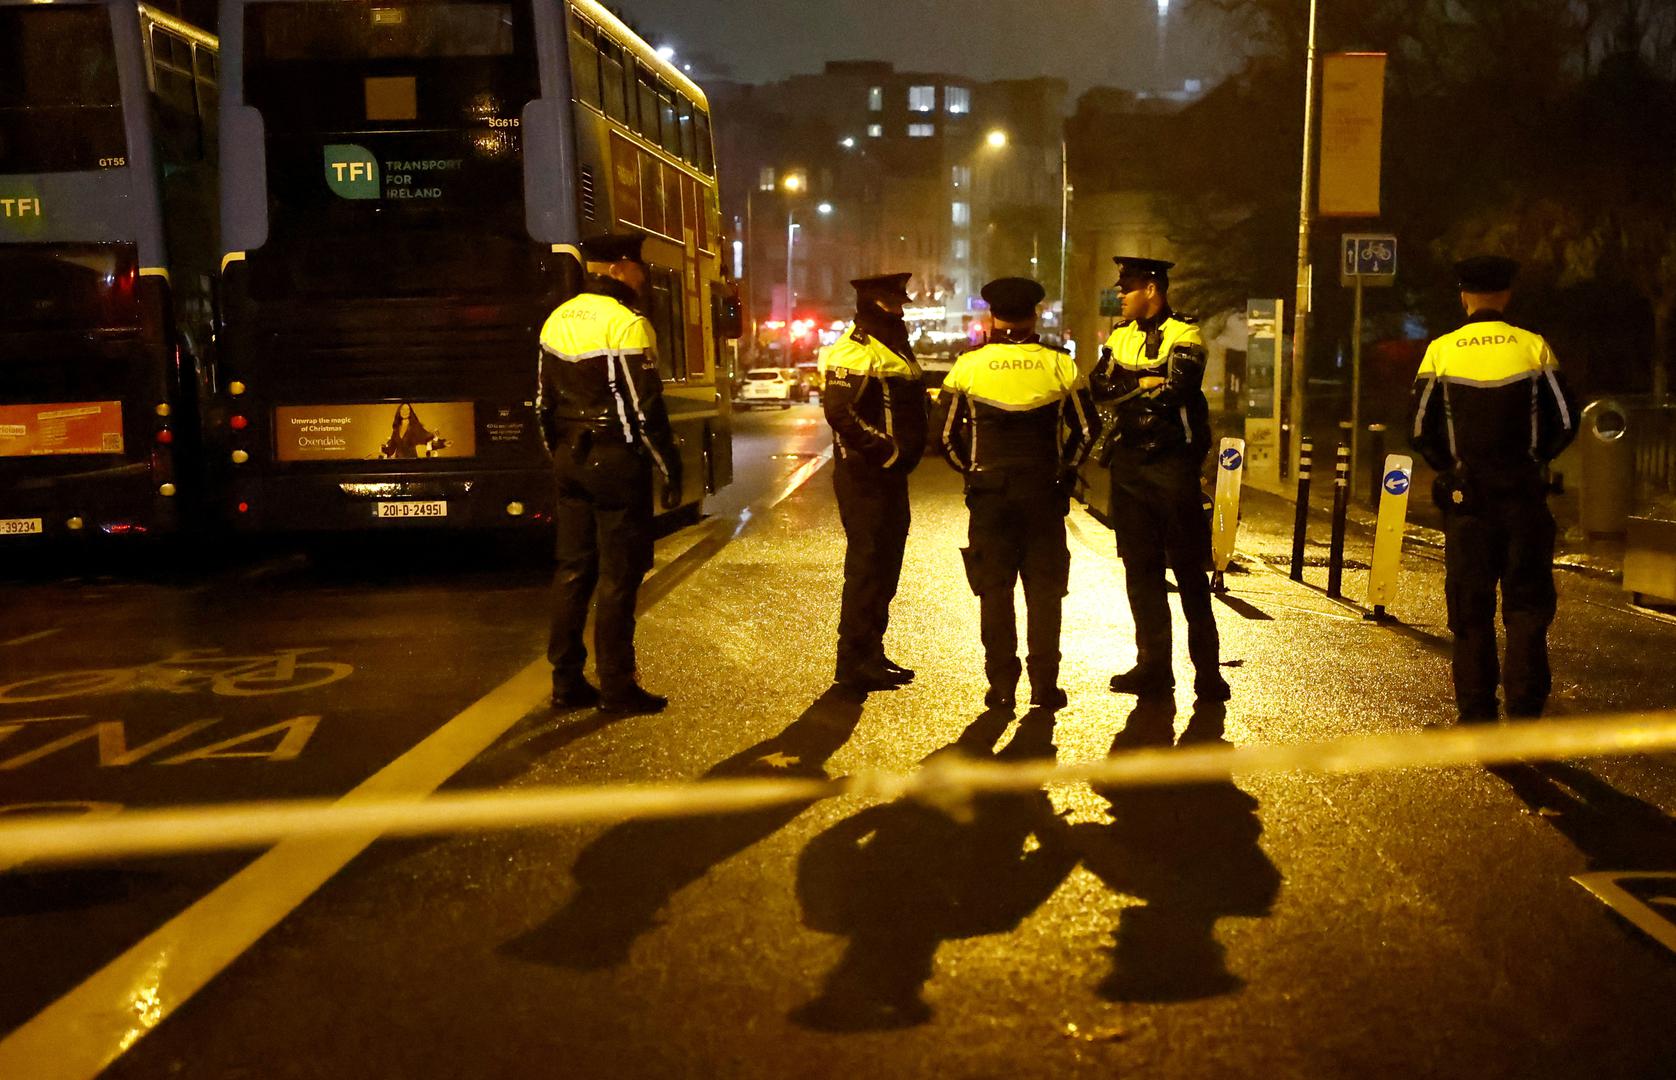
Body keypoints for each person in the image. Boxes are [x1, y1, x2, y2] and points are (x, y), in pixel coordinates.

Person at [1409, 255, 1578, 723]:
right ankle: (1525, 711)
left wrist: (1451, 469)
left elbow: (1420, 429)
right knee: (1526, 607)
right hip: (1524, 497)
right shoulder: (1534, 348)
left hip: (1469, 504)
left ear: (1464, 295)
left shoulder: (1442, 351)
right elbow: (1565, 420)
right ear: (1507, 294)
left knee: (1470, 610)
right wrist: (1535, 460)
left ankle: (1477, 713)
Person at [537, 233, 683, 714]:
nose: (643, 276)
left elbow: (543, 403)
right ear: (620, 268)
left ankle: (566, 682)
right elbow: (643, 410)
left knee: (573, 570)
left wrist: (558, 455)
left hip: (569, 458)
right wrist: (668, 464)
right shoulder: (628, 324)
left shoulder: (556, 319)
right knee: (620, 575)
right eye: (639, 267)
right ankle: (618, 686)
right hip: (616, 462)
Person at [940, 277, 1099, 709]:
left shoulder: (968, 366)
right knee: (1045, 593)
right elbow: (1088, 429)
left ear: (992, 316)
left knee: (995, 592)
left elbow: (945, 436)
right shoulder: (1059, 365)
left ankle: (1002, 685)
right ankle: (1045, 686)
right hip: (1043, 495)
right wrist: (1064, 471)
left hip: (989, 496)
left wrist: (972, 474)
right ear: (1034, 315)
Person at [1089, 256, 1228, 701]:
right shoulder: (1119, 336)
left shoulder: (1185, 332)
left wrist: (1137, 387)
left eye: (1127, 287)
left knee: (1189, 573)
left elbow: (1176, 392)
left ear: (1151, 288)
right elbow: (1098, 387)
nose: (1120, 295)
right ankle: (1152, 666)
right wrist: (1144, 382)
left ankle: (1208, 673)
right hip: (1129, 466)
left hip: (1173, 466)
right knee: (1140, 571)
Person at [819, 272, 929, 692]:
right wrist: (887, 450)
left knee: (887, 566)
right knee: (866, 567)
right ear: (872, 303)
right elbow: (840, 413)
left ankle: (872, 651)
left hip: (891, 476)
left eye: (901, 302)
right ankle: (852, 660)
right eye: (892, 303)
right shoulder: (854, 350)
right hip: (864, 475)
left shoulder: (894, 347)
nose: (900, 309)